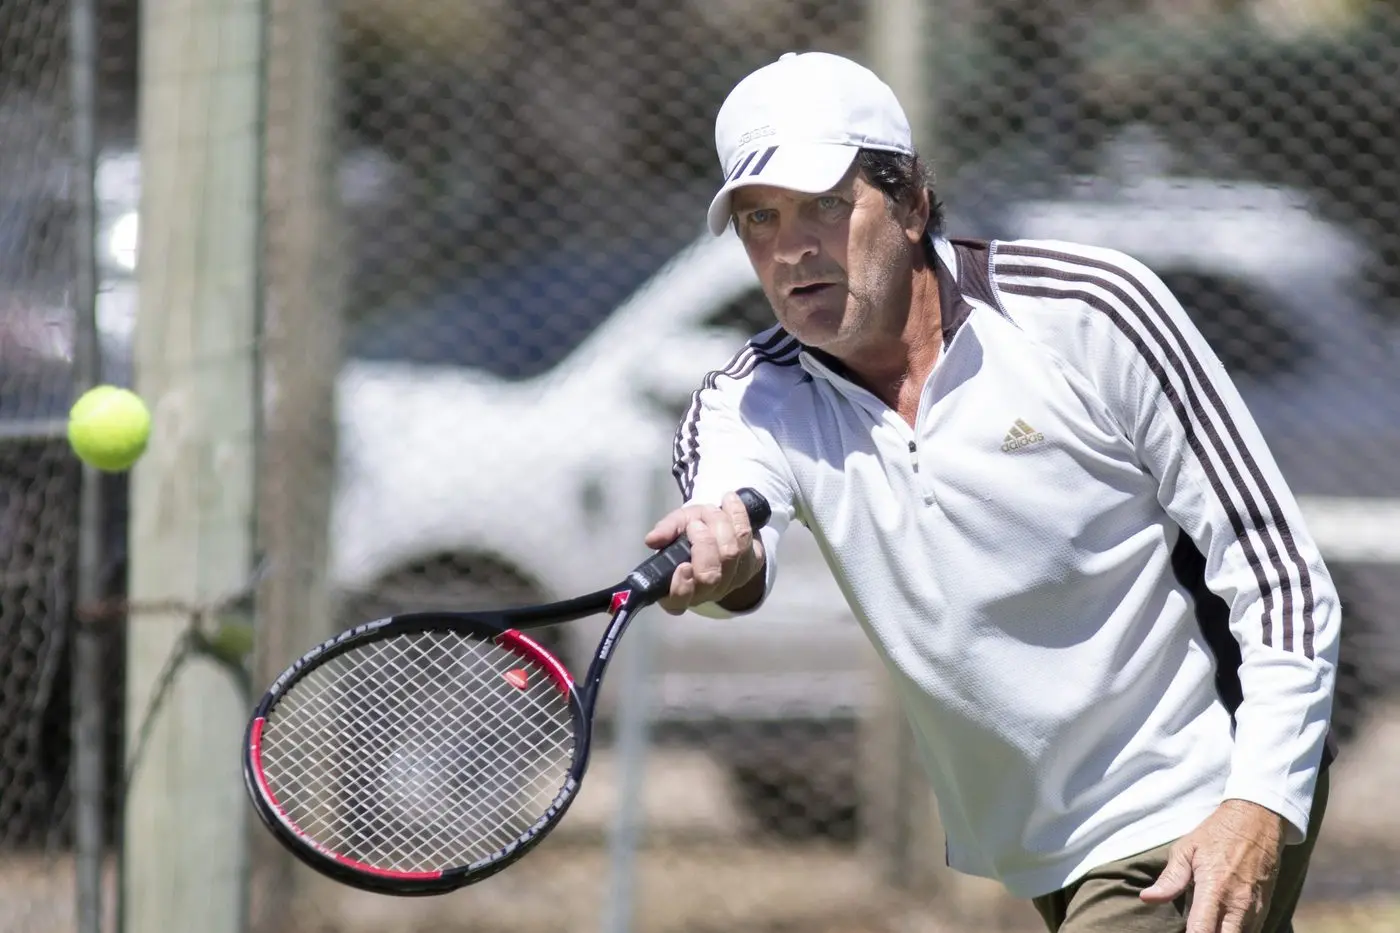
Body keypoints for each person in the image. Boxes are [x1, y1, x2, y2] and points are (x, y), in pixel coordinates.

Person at [645, 51, 1339, 933]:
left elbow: (1278, 572)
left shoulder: (1095, 311)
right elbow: (733, 517)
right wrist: (724, 553)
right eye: (759, 219)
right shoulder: (747, 400)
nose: (792, 248)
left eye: (825, 205)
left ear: (910, 202)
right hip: (1035, 846)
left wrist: (1259, 802)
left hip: (1194, 794)